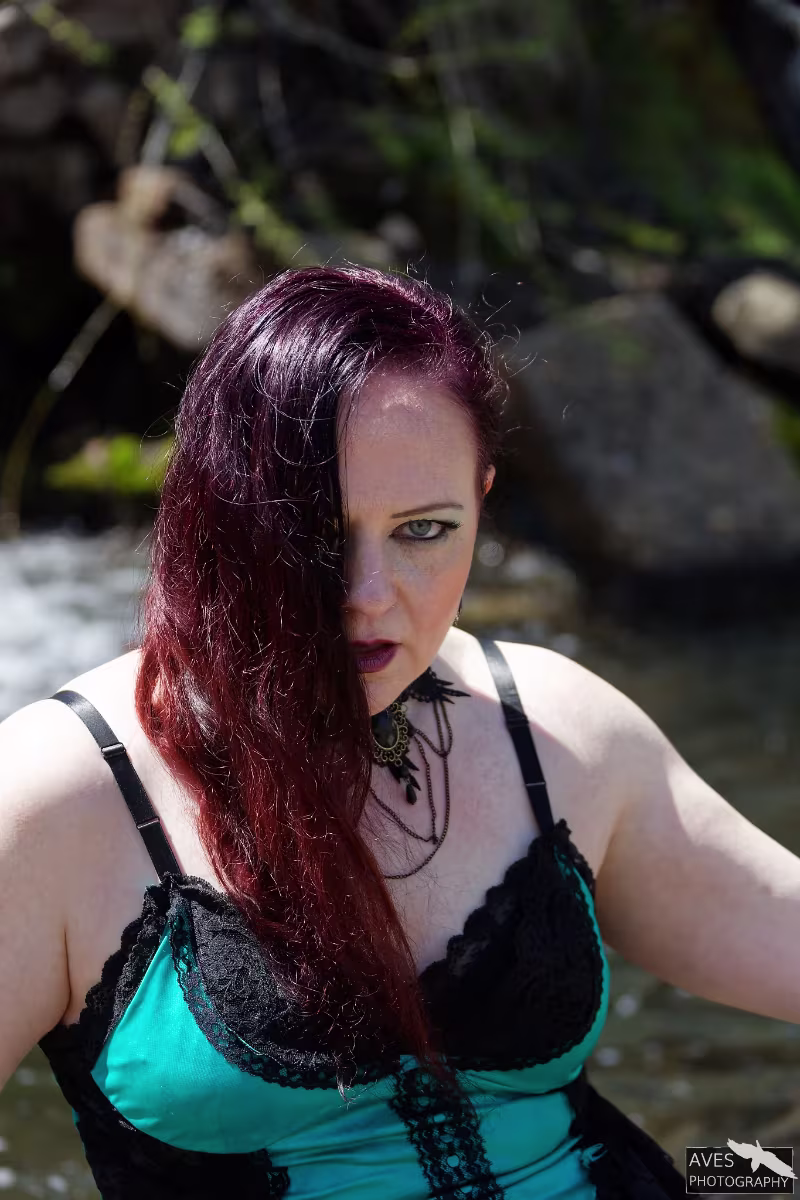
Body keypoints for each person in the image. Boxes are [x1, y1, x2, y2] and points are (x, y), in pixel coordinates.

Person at [1, 265, 798, 1200]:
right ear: (218, 516)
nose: (368, 596)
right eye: (315, 531)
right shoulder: (58, 795)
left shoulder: (555, 732)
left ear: (483, 499)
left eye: (424, 530)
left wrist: (760, 1180)